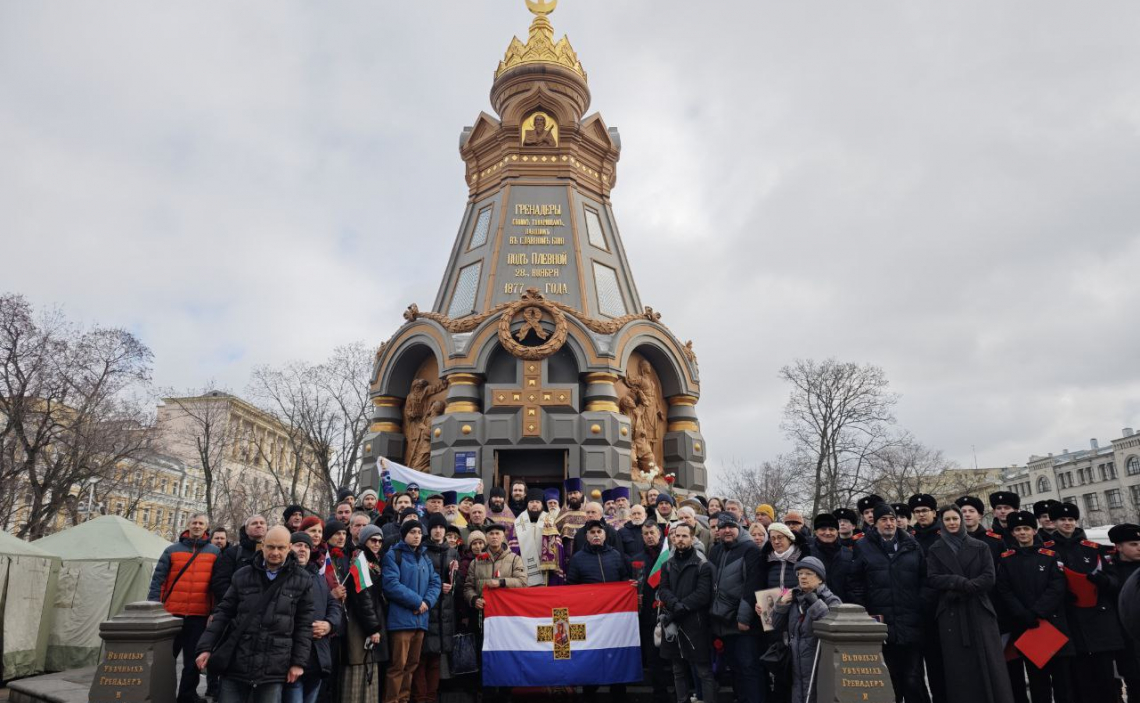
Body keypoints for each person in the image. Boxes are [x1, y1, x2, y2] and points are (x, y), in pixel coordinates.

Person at [195, 526, 315, 703]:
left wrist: (298, 663)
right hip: (237, 660)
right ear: (263, 546)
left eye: (281, 548)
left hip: (274, 666)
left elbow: (304, 624)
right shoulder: (242, 575)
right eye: (271, 547)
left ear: (289, 548)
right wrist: (205, 647)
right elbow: (223, 613)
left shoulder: (303, 579)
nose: (275, 552)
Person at [926, 504, 1014, 703]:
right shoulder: (935, 549)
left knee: (990, 665)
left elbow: (989, 577)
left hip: (979, 609)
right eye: (947, 519)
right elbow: (933, 578)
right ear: (942, 522)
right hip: (951, 612)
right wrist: (958, 582)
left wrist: (968, 587)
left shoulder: (980, 546)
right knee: (960, 669)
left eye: (955, 518)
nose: (952, 523)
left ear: (961, 520)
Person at [848, 503, 927, 703]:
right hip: (881, 626)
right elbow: (856, 582)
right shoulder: (863, 546)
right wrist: (864, 612)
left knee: (913, 679)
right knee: (888, 680)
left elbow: (925, 579)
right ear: (875, 523)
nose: (889, 523)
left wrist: (921, 604)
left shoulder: (912, 544)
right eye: (884, 520)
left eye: (892, 519)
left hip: (911, 623)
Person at [1047, 501, 1124, 703]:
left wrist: (1103, 581)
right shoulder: (1047, 551)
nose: (1067, 523)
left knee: (1107, 680)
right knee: (1079, 683)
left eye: (1071, 519)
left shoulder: (1094, 549)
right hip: (1070, 624)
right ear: (1054, 522)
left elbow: (1115, 580)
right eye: (1062, 520)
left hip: (1099, 623)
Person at [995, 511, 1072, 703]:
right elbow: (1004, 590)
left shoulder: (1050, 556)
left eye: (1026, 529)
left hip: (1052, 626)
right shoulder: (1006, 559)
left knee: (1063, 682)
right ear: (1012, 533)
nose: (1022, 533)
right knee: (1038, 683)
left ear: (1034, 530)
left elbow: (1057, 587)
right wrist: (1022, 613)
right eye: (1018, 529)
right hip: (1027, 628)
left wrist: (1037, 611)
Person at [148, 513, 220, 703]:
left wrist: (214, 611)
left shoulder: (215, 552)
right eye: (194, 522)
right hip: (171, 614)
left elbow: (217, 585)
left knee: (193, 660)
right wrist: (154, 606)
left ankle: (187, 695)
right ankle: (158, 692)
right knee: (164, 659)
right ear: (188, 525)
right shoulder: (171, 550)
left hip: (199, 615)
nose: (197, 526)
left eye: (201, 523)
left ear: (206, 527)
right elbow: (158, 580)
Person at [567, 519, 633, 699]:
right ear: (586, 536)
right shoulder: (578, 558)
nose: (596, 535)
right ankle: (589, 692)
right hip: (591, 620)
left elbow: (624, 579)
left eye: (599, 532)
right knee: (592, 657)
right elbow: (571, 587)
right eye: (592, 532)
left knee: (616, 655)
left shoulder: (615, 555)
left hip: (614, 619)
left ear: (605, 535)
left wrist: (630, 587)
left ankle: (618, 692)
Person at [462, 523, 525, 703]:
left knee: (506, 654)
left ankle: (506, 692)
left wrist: (502, 582)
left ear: (503, 537)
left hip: (506, 620)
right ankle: (487, 691)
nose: (494, 537)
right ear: (486, 538)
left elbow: (522, 582)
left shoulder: (514, 559)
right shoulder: (477, 561)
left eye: (497, 534)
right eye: (491, 534)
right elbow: (467, 587)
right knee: (484, 655)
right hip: (483, 619)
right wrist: (474, 600)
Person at [707, 511, 765, 703]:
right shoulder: (715, 551)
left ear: (739, 527)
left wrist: (744, 618)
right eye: (722, 527)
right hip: (722, 622)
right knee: (735, 669)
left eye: (731, 526)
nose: (727, 530)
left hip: (742, 624)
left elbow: (752, 585)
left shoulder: (750, 550)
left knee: (748, 668)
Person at [382, 519, 441, 703]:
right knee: (397, 666)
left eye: (419, 533)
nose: (417, 536)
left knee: (411, 665)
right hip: (401, 621)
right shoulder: (393, 555)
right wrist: (417, 602)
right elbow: (391, 584)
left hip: (420, 621)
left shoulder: (424, 557)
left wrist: (426, 602)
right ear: (404, 534)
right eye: (413, 532)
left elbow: (435, 582)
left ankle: (404, 699)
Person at [657, 522, 717, 703]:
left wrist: (679, 608)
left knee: (703, 671)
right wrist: (676, 605)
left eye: (684, 536)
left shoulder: (703, 565)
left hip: (695, 624)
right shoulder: (667, 565)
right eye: (677, 535)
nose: (680, 539)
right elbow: (663, 589)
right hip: (674, 624)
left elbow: (702, 595)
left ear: (692, 538)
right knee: (677, 670)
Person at [769, 557, 841, 703]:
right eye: (800, 573)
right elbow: (775, 625)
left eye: (808, 573)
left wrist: (815, 603)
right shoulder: (795, 598)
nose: (802, 577)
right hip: (796, 662)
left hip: (818, 661)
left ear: (820, 579)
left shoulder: (831, 599)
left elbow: (835, 626)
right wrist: (781, 604)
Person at [284, 532, 342, 703]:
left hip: (317, 658)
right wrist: (306, 630)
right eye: (298, 545)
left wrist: (329, 624)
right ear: (289, 548)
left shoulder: (318, 577)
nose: (303, 549)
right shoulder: (282, 575)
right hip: (291, 657)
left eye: (307, 547)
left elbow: (333, 606)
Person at [760, 522, 810, 702]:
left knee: (798, 664)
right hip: (774, 619)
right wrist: (759, 605)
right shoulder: (766, 560)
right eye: (772, 538)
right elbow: (762, 587)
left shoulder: (802, 558)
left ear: (789, 538)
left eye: (780, 538)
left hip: (797, 615)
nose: (776, 542)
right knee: (779, 664)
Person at [414, 514, 458, 703]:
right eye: (435, 527)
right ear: (429, 530)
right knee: (420, 659)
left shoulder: (452, 552)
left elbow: (458, 579)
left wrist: (452, 585)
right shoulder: (421, 551)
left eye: (442, 527)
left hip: (445, 612)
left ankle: (431, 698)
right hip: (426, 608)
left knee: (435, 661)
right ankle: (420, 698)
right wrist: (437, 586)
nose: (438, 530)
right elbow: (416, 577)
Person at [340, 524, 386, 703]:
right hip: (360, 625)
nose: (377, 544)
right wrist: (373, 627)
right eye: (373, 540)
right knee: (359, 670)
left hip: (370, 620)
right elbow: (363, 596)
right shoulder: (360, 560)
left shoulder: (373, 561)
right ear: (364, 540)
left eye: (380, 541)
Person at [633, 521, 670, 703]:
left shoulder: (669, 555)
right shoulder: (637, 559)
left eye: (652, 533)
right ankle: (660, 695)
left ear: (659, 534)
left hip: (671, 614)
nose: (649, 536)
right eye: (645, 533)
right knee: (654, 660)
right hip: (648, 617)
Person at [1109, 523, 1140, 700]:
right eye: (1133, 544)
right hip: (1125, 641)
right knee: (1134, 685)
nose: (1139, 547)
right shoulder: (1112, 573)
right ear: (1119, 547)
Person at [210, 514, 267, 605]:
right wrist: (235, 603)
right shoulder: (232, 553)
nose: (259, 525)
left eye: (262, 523)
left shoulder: (275, 553)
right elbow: (220, 583)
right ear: (246, 529)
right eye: (254, 523)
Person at [514, 487, 563, 586]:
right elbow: (513, 547)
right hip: (524, 568)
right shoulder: (519, 522)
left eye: (537, 502)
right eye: (531, 502)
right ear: (527, 504)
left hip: (545, 570)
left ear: (542, 504)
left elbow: (558, 545)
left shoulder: (549, 520)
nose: (534, 504)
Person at [810, 512, 852, 602]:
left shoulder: (848, 553)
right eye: (823, 529)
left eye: (831, 529)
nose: (827, 532)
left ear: (837, 532)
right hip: (815, 606)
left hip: (843, 606)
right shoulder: (807, 552)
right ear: (816, 532)